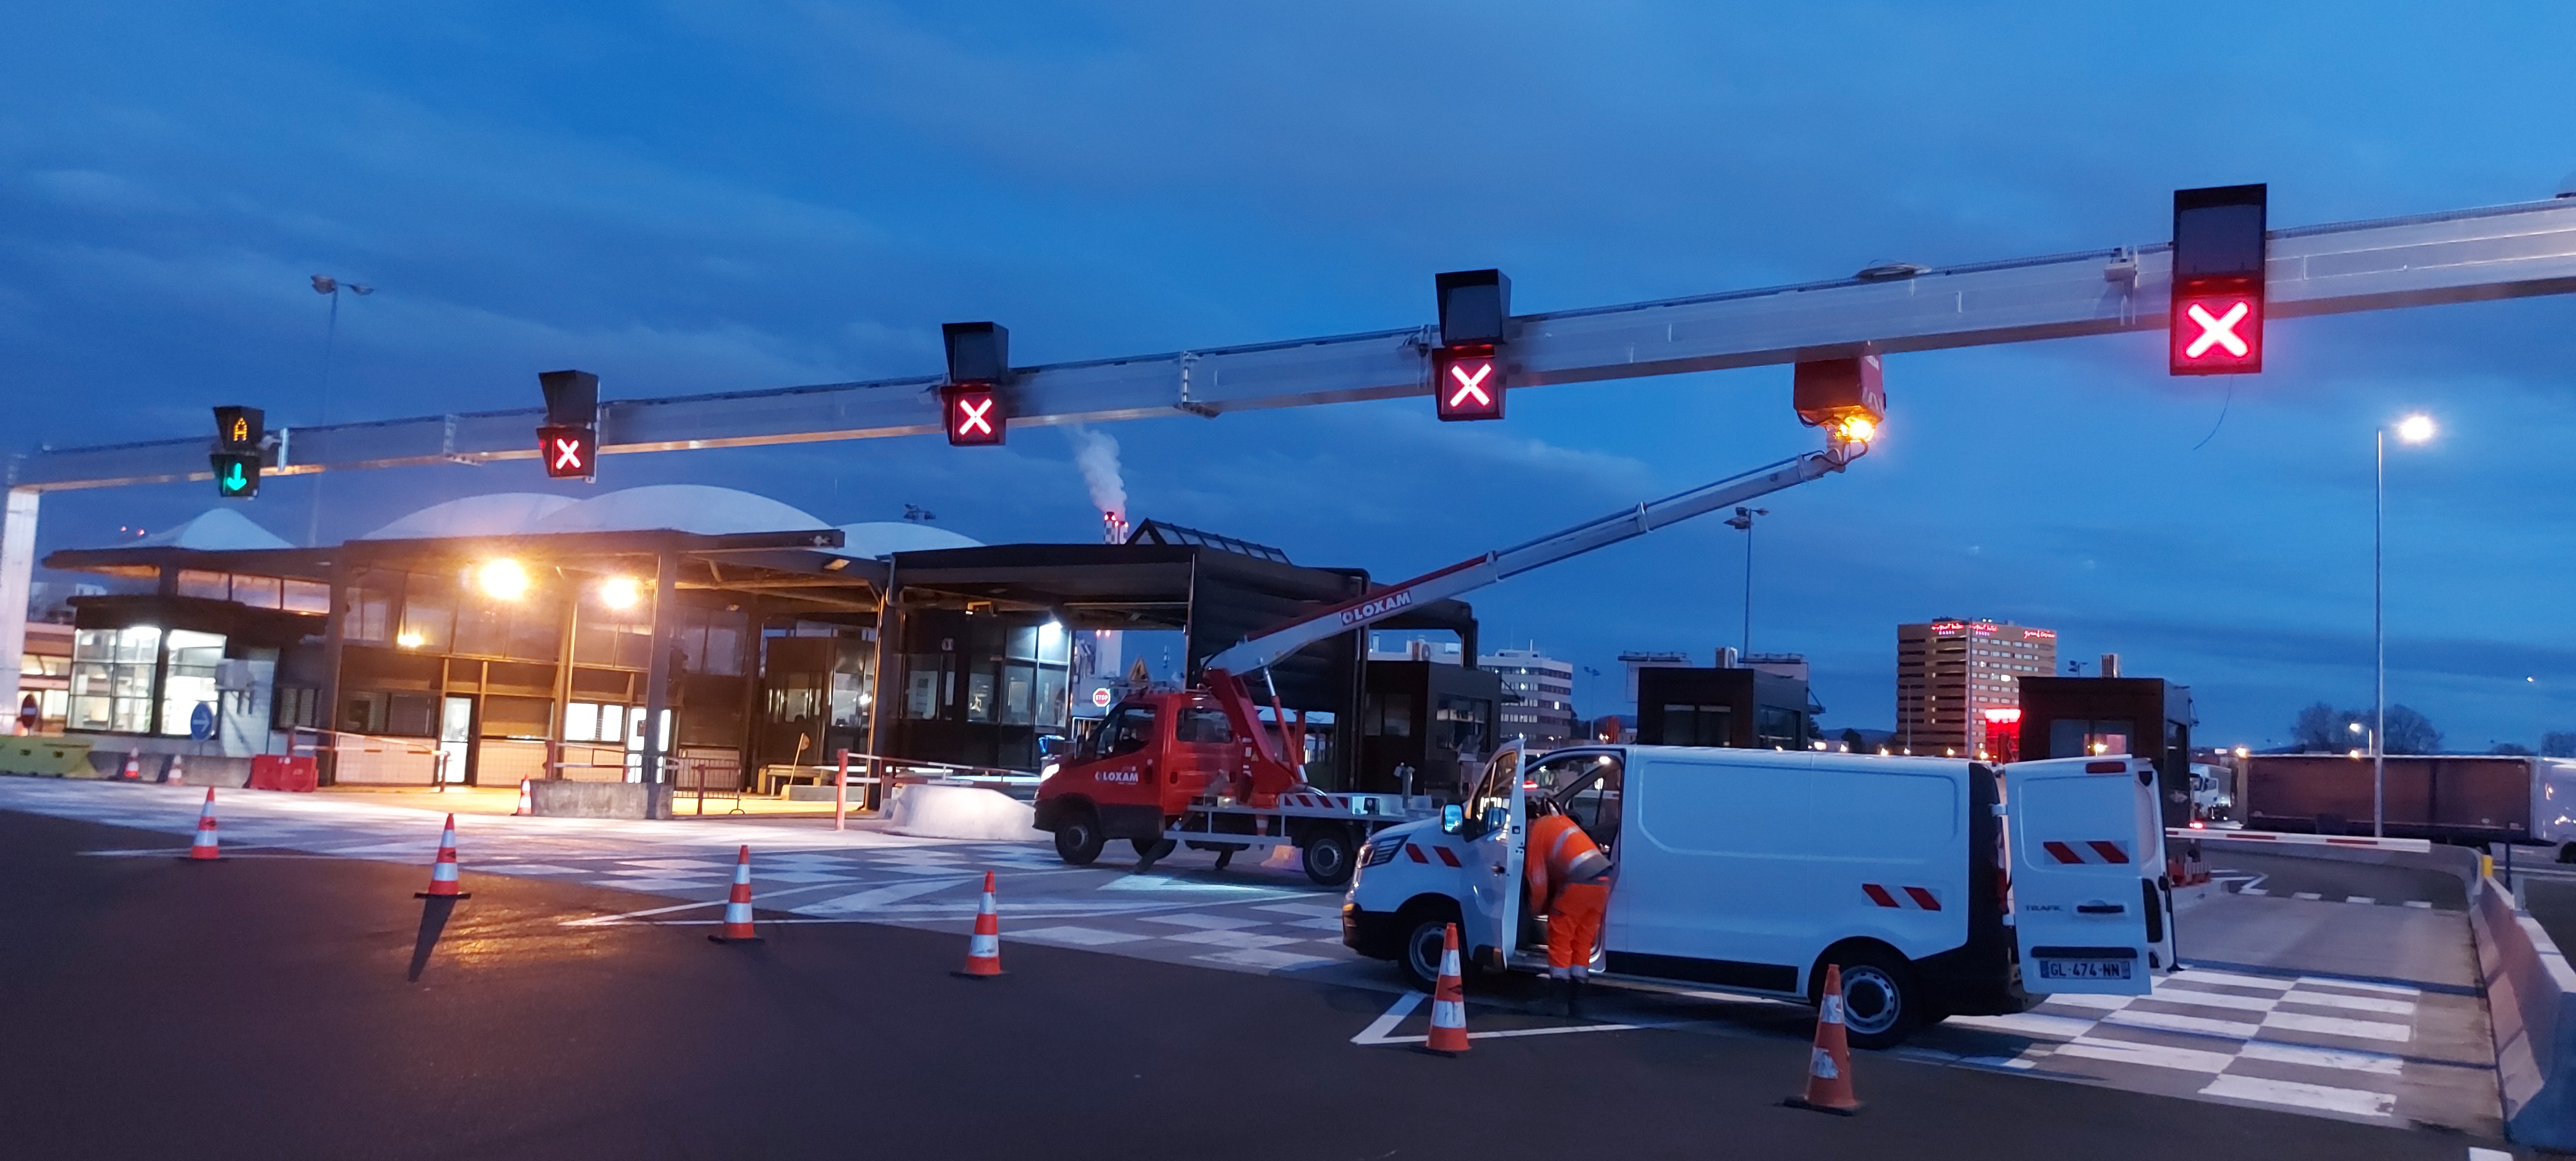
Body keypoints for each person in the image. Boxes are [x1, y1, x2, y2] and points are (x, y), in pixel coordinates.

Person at [1525, 796, 1613, 1017]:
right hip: (1602, 882)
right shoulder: (1564, 823)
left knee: (1561, 934)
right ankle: (1579, 998)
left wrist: (1536, 910)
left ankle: (1557, 998)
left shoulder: (1538, 831)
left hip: (1579, 882)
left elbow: (1537, 880)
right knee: (1582, 939)